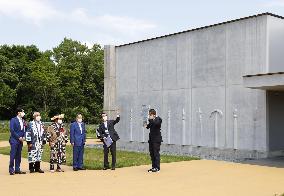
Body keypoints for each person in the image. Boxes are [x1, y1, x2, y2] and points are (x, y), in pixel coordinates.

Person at [9, 108, 26, 175]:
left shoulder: (23, 120)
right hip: (14, 140)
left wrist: (24, 136)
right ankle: (11, 170)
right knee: (13, 155)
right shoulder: (13, 120)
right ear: (19, 113)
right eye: (22, 112)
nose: (23, 113)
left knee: (18, 155)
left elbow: (24, 130)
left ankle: (17, 169)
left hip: (21, 140)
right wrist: (18, 137)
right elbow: (12, 130)